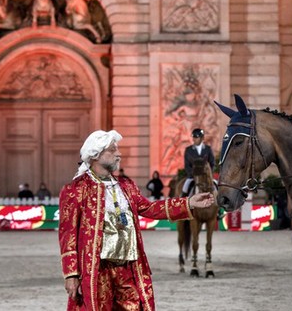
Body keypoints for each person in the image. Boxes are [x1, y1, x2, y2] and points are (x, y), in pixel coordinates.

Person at [59, 130, 214, 310]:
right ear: (95, 154)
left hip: (128, 267)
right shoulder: (76, 189)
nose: (119, 154)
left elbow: (150, 208)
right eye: (112, 150)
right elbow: (67, 234)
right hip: (97, 270)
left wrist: (188, 203)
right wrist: (71, 274)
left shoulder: (127, 185)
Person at [181, 128, 215, 197]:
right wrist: (193, 174)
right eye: (193, 137)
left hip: (206, 176)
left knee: (216, 185)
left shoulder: (208, 149)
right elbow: (187, 165)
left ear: (202, 138)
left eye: (196, 137)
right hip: (193, 176)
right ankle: (184, 201)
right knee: (185, 187)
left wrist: (209, 173)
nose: (194, 139)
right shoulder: (188, 150)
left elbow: (212, 163)